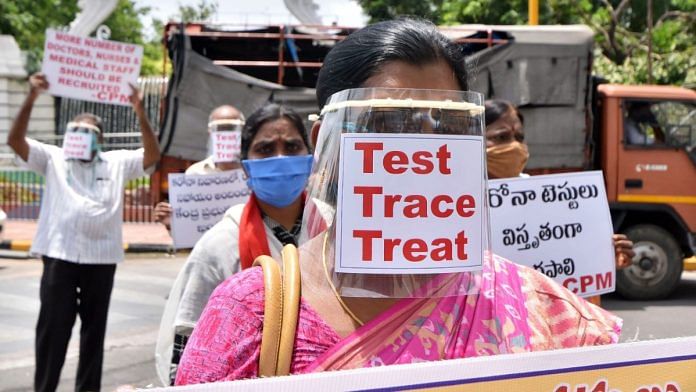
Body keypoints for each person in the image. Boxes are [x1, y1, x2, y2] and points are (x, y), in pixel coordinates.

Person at [175, 18, 622, 385]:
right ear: (327, 141)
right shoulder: (252, 312)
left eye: (444, 124)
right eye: (389, 121)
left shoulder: (531, 300)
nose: (421, 150)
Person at [7, 72, 160, 392]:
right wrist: (32, 98)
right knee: (53, 330)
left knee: (94, 331)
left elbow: (151, 158)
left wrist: (140, 112)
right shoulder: (53, 157)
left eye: (87, 132)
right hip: (60, 255)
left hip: (101, 258)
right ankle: (44, 388)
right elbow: (16, 142)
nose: (79, 136)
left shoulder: (116, 162)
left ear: (99, 139)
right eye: (75, 131)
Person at [155, 103, 313, 385]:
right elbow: (187, 351)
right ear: (245, 166)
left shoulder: (336, 234)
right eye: (265, 150)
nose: (280, 158)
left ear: (309, 156)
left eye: (292, 147)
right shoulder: (219, 245)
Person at [484, 99, 635, 273]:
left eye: (520, 138)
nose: (515, 146)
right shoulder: (457, 203)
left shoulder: (538, 195)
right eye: (501, 137)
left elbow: (560, 252)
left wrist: (605, 256)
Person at [153, 105, 246, 230]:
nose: (226, 134)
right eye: (220, 128)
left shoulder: (254, 173)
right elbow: (188, 230)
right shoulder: (195, 174)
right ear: (210, 132)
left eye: (232, 128)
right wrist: (171, 223)